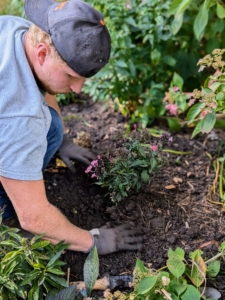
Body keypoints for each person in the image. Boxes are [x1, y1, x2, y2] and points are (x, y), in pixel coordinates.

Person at [0, 0, 145, 255]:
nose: (78, 89)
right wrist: (94, 241)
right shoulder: (21, 118)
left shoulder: (16, 31)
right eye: (71, 76)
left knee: (52, 128)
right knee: (25, 212)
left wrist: (62, 141)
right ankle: (5, 218)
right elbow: (33, 218)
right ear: (43, 53)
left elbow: (41, 82)